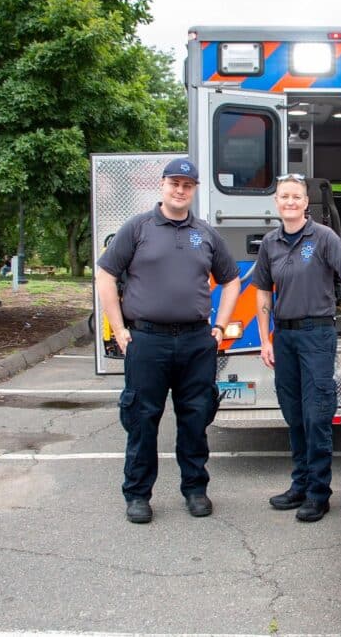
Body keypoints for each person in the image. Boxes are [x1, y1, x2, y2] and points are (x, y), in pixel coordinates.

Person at [95, 158, 241, 524]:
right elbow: (105, 274)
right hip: (147, 341)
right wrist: (119, 328)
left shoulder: (205, 234)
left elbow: (232, 279)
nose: (180, 190)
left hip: (196, 341)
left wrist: (220, 326)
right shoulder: (138, 228)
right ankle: (137, 495)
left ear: (194, 190)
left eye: (187, 185)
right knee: (142, 419)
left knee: (195, 418)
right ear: (162, 185)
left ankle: (195, 490)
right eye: (174, 183)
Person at [253, 173, 341, 523]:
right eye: (284, 196)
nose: (290, 202)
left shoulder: (324, 237)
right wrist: (265, 339)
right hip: (284, 337)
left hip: (316, 334)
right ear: (276, 202)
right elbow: (263, 293)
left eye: (296, 197)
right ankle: (299, 485)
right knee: (294, 414)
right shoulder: (270, 243)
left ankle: (318, 493)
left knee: (316, 415)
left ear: (305, 202)